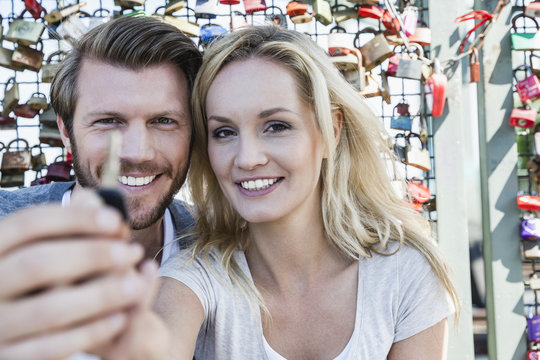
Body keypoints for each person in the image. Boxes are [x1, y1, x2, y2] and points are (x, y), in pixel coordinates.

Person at [155, 25, 460, 359]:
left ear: (331, 129)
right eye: (224, 132)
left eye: (276, 127)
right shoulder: (192, 279)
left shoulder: (404, 274)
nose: (247, 158)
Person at [0, 15, 201, 359]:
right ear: (65, 130)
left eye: (164, 121)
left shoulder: (224, 252)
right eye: (108, 121)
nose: (137, 152)